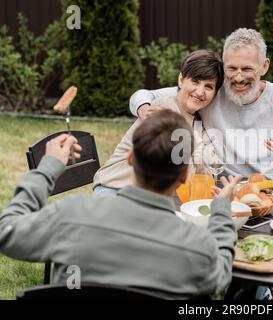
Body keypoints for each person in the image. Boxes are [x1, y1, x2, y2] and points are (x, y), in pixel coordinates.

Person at [0, 109, 242, 299]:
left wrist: (48, 167)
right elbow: (220, 276)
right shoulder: (196, 247)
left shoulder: (72, 214)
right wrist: (220, 210)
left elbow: (7, 232)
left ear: (130, 158)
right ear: (183, 174)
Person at [129, 28, 273, 182]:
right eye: (231, 68)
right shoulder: (210, 93)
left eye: (247, 69)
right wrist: (145, 110)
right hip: (225, 192)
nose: (238, 77)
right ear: (223, 65)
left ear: (264, 66)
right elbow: (143, 95)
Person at [93, 49, 224, 196]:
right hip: (115, 189)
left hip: (146, 198)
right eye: (195, 81)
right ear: (181, 80)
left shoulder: (198, 121)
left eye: (208, 87)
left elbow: (200, 173)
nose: (200, 92)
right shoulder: (164, 110)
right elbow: (181, 169)